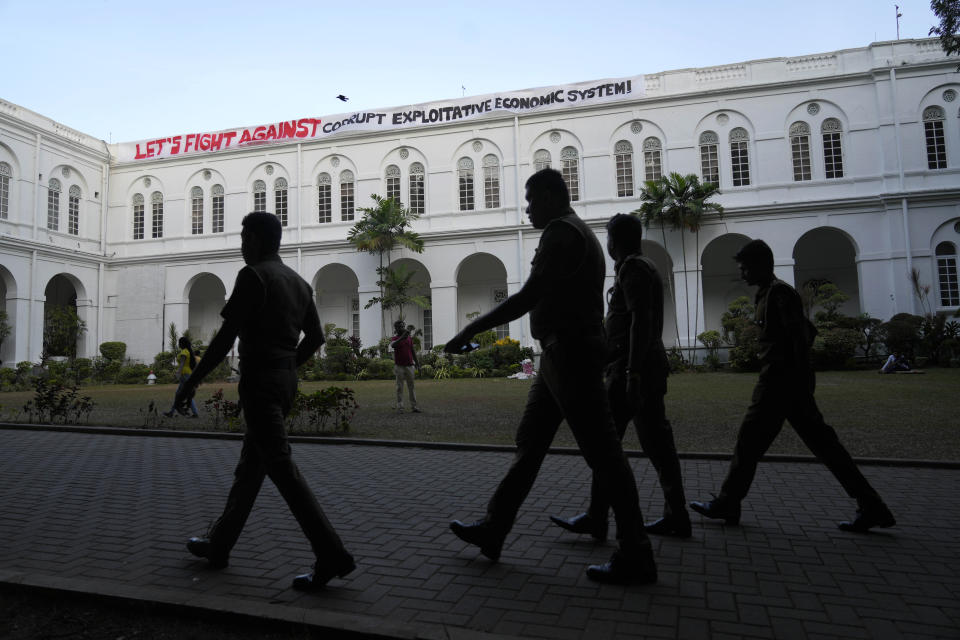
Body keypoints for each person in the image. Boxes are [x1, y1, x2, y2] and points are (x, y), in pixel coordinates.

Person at [444, 168, 657, 585]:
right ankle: (494, 526)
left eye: (530, 200)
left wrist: (471, 329)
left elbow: (527, 296)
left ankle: (637, 553)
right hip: (559, 356)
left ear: (549, 196)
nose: (526, 209)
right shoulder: (577, 232)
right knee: (531, 443)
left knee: (605, 455)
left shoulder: (562, 233)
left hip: (572, 353)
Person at [176, 211, 355, 591]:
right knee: (251, 468)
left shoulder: (253, 275)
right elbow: (315, 338)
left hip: (260, 382)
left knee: (281, 469)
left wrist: (192, 380)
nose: (242, 245)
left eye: (244, 237)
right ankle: (219, 545)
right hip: (284, 380)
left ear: (257, 240)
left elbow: (227, 336)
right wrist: (288, 365)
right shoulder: (299, 282)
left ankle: (331, 553)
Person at [689, 239, 895, 533]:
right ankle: (873, 506)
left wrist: (799, 381)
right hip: (781, 382)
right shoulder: (766, 294)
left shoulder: (780, 294)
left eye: (746, 267)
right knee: (817, 446)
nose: (743, 273)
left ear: (762, 265)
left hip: (781, 383)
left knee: (753, 443)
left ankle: (728, 502)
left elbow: (800, 336)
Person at [550, 213, 691, 540]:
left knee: (606, 445)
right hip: (641, 367)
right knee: (657, 445)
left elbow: (640, 322)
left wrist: (632, 372)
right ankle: (675, 515)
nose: (608, 245)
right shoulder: (646, 266)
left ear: (616, 240)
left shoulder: (633, 269)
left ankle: (597, 517)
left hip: (631, 369)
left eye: (609, 239)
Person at [164, 336, 199, 418]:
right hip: (187, 374)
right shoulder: (188, 351)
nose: (178, 344)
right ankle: (171, 412)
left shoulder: (184, 352)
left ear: (182, 344)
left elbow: (182, 364)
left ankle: (194, 413)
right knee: (180, 394)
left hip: (184, 375)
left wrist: (178, 373)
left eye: (179, 343)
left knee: (185, 394)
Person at [390, 320, 420, 413]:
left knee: (411, 387)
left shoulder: (409, 339)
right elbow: (393, 345)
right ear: (396, 328)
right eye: (399, 327)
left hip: (410, 366)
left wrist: (418, 364)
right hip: (399, 366)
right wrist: (402, 337)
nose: (402, 328)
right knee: (399, 387)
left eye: (403, 326)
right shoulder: (395, 338)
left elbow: (413, 351)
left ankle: (414, 407)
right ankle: (400, 407)